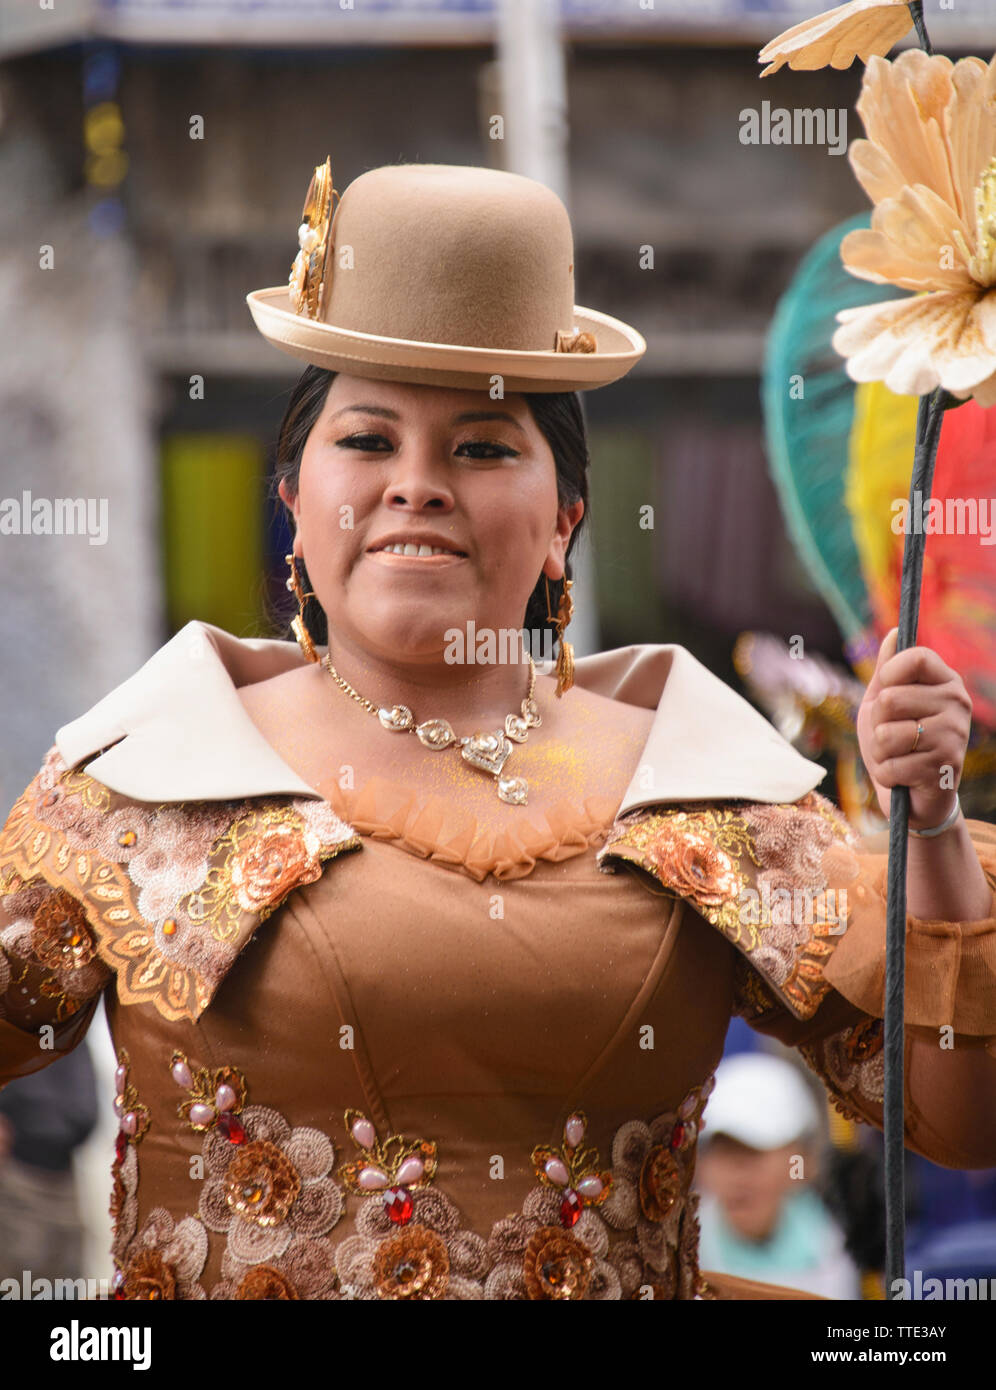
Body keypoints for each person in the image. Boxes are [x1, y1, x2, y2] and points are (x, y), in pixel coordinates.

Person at [1, 159, 995, 1302]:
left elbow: (960, 1120)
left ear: (565, 518)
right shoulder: (147, 769)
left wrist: (936, 827)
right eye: (368, 441)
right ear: (293, 496)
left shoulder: (708, 782)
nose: (417, 485)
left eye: (481, 446)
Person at [695, 1052, 861, 1299]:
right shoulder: (670, 1258)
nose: (739, 1174)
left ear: (800, 1161)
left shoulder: (842, 1250)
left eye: (756, 1151)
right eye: (724, 1152)